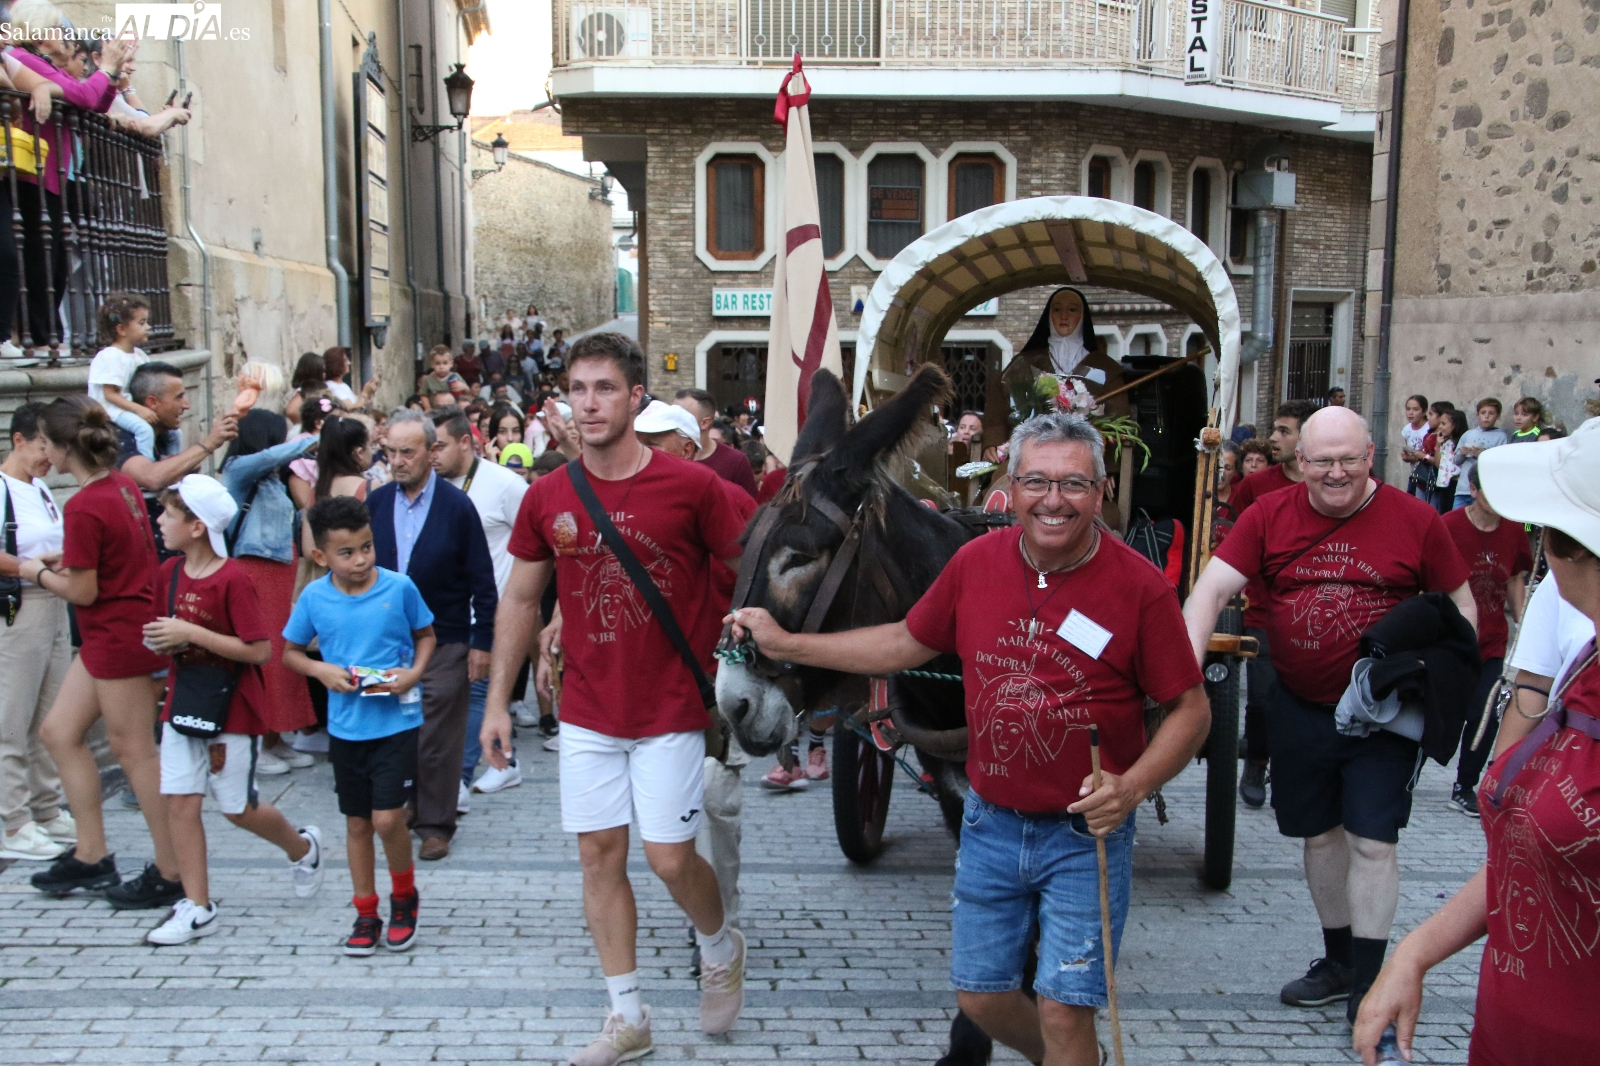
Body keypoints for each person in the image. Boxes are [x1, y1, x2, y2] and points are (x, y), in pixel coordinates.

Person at [729, 410, 1210, 1066]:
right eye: (1037, 482)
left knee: (1067, 1011)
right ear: (1010, 488)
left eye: (1073, 484)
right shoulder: (974, 563)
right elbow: (905, 641)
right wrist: (790, 644)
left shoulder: (1139, 588)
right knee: (982, 999)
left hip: (1083, 836)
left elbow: (1190, 710)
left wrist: (1133, 786)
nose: (1053, 500)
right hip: (989, 825)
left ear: (1100, 494)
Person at [481, 333, 749, 1059]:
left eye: (605, 388)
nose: (589, 402)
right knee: (599, 854)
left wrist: (751, 643)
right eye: (578, 388)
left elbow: (747, 568)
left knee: (668, 857)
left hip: (669, 702)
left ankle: (720, 943)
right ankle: (627, 1015)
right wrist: (498, 702)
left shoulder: (693, 488)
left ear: (637, 398)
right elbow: (521, 597)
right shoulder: (548, 496)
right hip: (589, 705)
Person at [1183, 405, 1476, 1023]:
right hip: (1298, 702)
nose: (1336, 473)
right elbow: (1210, 590)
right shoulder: (1269, 514)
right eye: (1322, 462)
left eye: (1349, 459)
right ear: (1301, 463)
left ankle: (1372, 983)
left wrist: (1437, 685)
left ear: (1372, 456)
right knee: (1318, 836)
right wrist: (1184, 679)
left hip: (1381, 714)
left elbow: (1460, 610)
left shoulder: (1417, 519)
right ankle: (1339, 960)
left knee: (1372, 839)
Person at [1352, 417, 1600, 1065]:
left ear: (1572, 550)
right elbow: (1534, 857)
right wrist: (1417, 949)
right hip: (1512, 1027)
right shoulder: (1585, 661)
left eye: (1546, 533)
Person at [142, 477, 324, 945]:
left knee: (237, 808)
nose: (159, 521)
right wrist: (162, 639)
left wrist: (190, 633)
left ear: (197, 526)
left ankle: (303, 847)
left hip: (232, 710)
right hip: (184, 703)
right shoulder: (169, 574)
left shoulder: (234, 578)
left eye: (168, 514)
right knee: (180, 803)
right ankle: (198, 905)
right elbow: (169, 633)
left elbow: (259, 650)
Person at [23, 398, 184, 910]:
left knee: (134, 750)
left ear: (60, 447)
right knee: (59, 733)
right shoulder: (119, 485)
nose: (41, 452)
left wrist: (32, 571)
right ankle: (93, 855)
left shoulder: (85, 502)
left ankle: (172, 869)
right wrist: (65, 560)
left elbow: (85, 591)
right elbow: (114, 556)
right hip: (115, 631)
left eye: (45, 443)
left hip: (118, 633)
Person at [284, 496, 435, 955]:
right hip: (346, 729)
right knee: (356, 824)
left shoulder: (399, 587)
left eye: (367, 547)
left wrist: (412, 674)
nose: (361, 560)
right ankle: (365, 912)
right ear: (321, 557)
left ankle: (404, 896)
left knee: (388, 818)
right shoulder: (314, 597)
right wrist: (320, 671)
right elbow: (290, 652)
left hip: (396, 722)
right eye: (346, 553)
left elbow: (426, 636)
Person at [367, 410, 497, 862]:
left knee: (437, 734)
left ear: (430, 452)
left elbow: (483, 579)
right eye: (390, 452)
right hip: (387, 642)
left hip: (446, 637)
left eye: (407, 452)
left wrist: (483, 643)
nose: (398, 461)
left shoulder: (456, 507)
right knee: (394, 728)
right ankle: (404, 805)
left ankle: (436, 824)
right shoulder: (378, 503)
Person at [218, 383, 321, 775]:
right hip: (254, 572)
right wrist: (314, 437)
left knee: (284, 658)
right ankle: (254, 746)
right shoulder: (239, 471)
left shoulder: (273, 481)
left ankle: (277, 737)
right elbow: (273, 455)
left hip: (281, 571)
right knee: (263, 660)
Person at [428, 407, 529, 801]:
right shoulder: (429, 484)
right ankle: (508, 761)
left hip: (491, 611)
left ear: (466, 443)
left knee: (475, 692)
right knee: (459, 696)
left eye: (439, 447)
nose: (431, 456)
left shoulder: (505, 485)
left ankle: (458, 779)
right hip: (443, 612)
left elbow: (535, 546)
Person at [1227, 399, 1320, 808]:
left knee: (1307, 698)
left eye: (1284, 430)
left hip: (1317, 613)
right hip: (1264, 610)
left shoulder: (1329, 484)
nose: (1273, 438)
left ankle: (1295, 771)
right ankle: (1256, 762)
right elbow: (1227, 537)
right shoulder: (1257, 486)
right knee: (1263, 698)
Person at [0, 403, 75, 861]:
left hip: (52, 602)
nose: (49, 457)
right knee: (11, 715)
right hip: (19, 605)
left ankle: (46, 806)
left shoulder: (42, 488)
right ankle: (14, 819)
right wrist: (31, 567)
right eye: (42, 447)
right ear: (19, 441)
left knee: (48, 713)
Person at [1441, 466, 1532, 817]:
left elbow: (1514, 578)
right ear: (1474, 491)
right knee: (1444, 713)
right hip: (1451, 640)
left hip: (1492, 641)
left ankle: (1465, 786)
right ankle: (1409, 770)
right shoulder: (1448, 525)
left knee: (1485, 714)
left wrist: (1523, 619)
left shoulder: (1515, 530)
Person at [117, 362, 240, 540]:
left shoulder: (165, 436)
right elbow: (151, 477)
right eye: (179, 397)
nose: (186, 405)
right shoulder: (121, 436)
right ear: (152, 402)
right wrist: (209, 443)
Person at [86, 292, 157, 460]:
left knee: (173, 430)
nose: (148, 327)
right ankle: (146, 467)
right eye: (141, 323)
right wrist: (139, 409)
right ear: (121, 329)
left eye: (147, 322)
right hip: (112, 410)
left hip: (127, 406)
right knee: (143, 429)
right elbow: (109, 394)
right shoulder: (111, 356)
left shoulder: (139, 355)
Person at [672, 388, 759, 498]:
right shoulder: (666, 456)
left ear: (705, 422)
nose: (672, 422)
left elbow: (750, 510)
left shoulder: (735, 461)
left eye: (682, 417)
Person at [1452, 398, 1508, 510]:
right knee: (1457, 520)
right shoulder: (1468, 435)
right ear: (1478, 415)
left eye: (1491, 413)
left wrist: (1482, 455)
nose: (1486, 416)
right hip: (1463, 488)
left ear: (1498, 416)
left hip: (1484, 490)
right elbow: (1456, 461)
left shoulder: (1501, 436)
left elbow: (1501, 464)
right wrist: (1462, 453)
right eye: (1483, 413)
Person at [1428, 407, 1465, 514]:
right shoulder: (1446, 442)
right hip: (1444, 484)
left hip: (1456, 484)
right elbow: (1438, 463)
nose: (1440, 427)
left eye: (1443, 424)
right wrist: (1438, 445)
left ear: (1454, 425)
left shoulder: (1461, 443)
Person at [1398, 394, 1430, 496]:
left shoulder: (1429, 428)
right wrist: (1407, 457)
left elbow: (1430, 454)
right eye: (1408, 409)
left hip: (1427, 475)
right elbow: (1409, 451)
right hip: (1414, 474)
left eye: (1415, 409)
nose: (1410, 413)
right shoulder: (1407, 429)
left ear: (1424, 411)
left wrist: (1416, 456)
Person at [419, 346, 462, 410]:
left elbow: (467, 392)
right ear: (432, 365)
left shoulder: (456, 376)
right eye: (437, 363)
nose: (441, 367)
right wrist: (428, 408)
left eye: (445, 363)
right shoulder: (427, 379)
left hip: (453, 410)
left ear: (451, 364)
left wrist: (463, 387)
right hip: (435, 409)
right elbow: (423, 395)